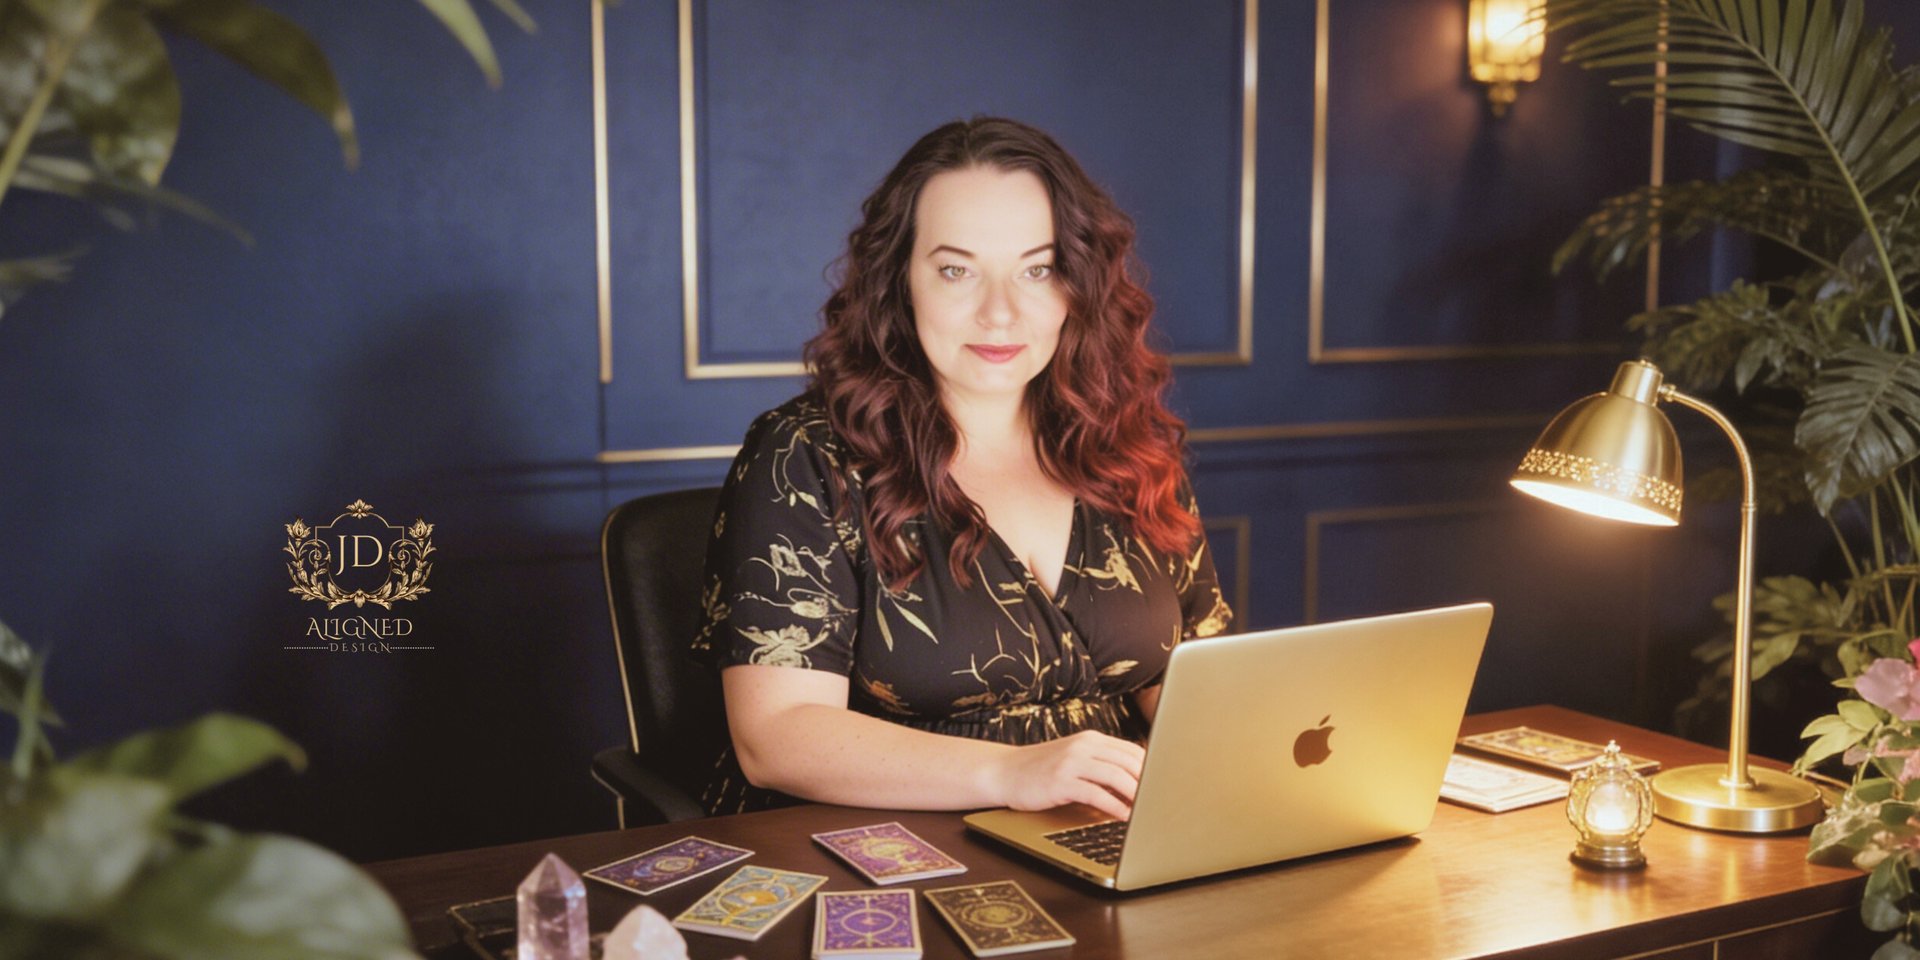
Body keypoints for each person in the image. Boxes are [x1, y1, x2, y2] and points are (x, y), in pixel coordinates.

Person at [690, 116, 1232, 822]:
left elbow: (1193, 679)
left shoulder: (1125, 445)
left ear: (1078, 285)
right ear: (900, 282)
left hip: (1110, 842)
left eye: (1037, 270)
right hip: (880, 850)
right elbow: (777, 736)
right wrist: (1015, 772)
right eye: (955, 270)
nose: (1001, 312)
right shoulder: (803, 456)